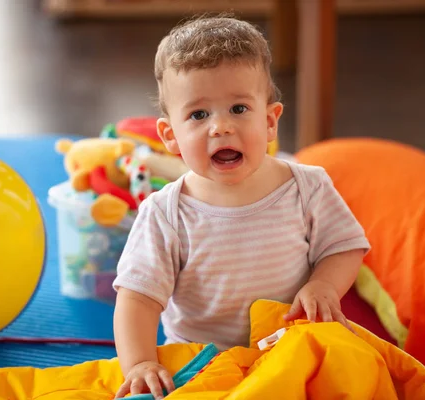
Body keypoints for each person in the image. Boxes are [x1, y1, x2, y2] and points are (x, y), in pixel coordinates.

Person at [112, 14, 371, 399]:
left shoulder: (307, 186)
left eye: (238, 109)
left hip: (291, 343)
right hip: (202, 362)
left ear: (269, 122)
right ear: (171, 136)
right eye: (199, 115)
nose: (220, 127)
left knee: (362, 373)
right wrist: (140, 364)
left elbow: (344, 246)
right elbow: (138, 299)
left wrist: (323, 285)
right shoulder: (164, 213)